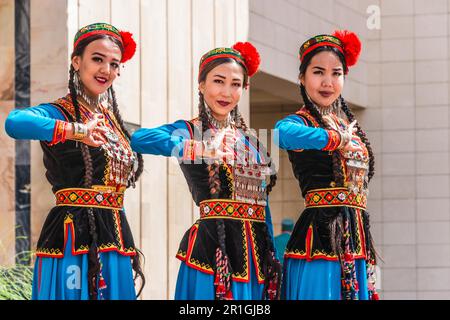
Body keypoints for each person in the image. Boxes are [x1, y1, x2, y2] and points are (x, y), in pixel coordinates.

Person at [5, 22, 145, 300]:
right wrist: (75, 131)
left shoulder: (112, 120)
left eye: (114, 64)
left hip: (115, 232)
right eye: (97, 59)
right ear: (76, 61)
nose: (106, 70)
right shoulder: (61, 111)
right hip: (74, 234)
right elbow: (15, 122)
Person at [131, 42, 282, 300]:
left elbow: (262, 205)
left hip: (256, 257)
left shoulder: (251, 142)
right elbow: (139, 138)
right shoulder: (191, 130)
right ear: (201, 85)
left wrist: (272, 258)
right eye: (218, 81)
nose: (226, 92)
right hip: (213, 253)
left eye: (235, 84)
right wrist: (194, 148)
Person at [275, 30, 379, 300]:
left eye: (336, 73)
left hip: (355, 238)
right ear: (302, 77)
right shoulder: (301, 122)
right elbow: (281, 133)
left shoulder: (348, 127)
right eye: (318, 72)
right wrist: (332, 138)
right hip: (319, 238)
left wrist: (340, 135)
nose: (327, 82)